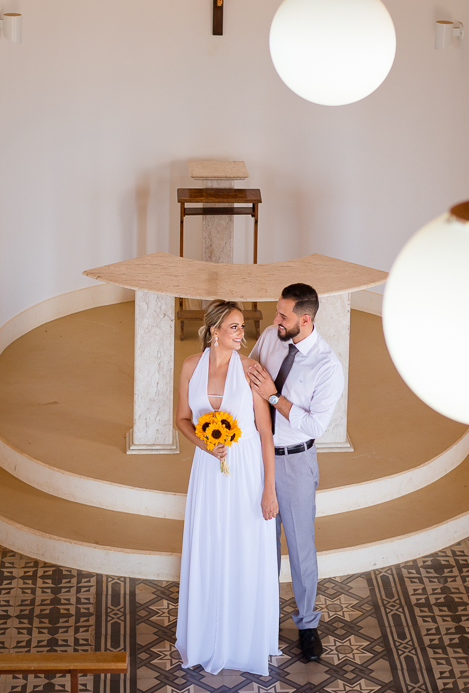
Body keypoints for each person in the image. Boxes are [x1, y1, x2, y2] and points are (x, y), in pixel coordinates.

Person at [174, 300, 280, 676]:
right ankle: (206, 637)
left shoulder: (251, 370)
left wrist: (269, 489)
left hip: (247, 469)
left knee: (244, 548)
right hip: (207, 470)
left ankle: (243, 641)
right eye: (233, 327)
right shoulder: (191, 366)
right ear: (214, 330)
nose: (241, 333)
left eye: (241, 327)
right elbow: (183, 419)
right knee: (209, 545)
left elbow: (265, 433)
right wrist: (205, 445)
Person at [245, 283, 344, 663]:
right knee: (261, 542)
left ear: (305, 319)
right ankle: (262, 617)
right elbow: (248, 370)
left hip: (295, 462)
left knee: (301, 547)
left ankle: (307, 625)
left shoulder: (327, 366)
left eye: (283, 316)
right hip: (257, 454)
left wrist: (273, 397)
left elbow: (314, 425)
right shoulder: (272, 337)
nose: (275, 320)